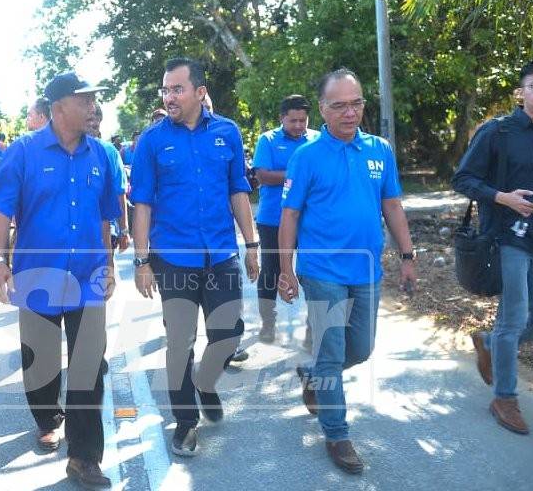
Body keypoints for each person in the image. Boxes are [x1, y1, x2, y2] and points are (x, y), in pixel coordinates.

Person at [0, 71, 119, 489]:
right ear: (59, 106)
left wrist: (109, 265)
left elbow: (103, 217)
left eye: (94, 99)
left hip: (87, 279)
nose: (92, 106)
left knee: (89, 368)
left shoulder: (100, 155)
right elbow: (1, 211)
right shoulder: (23, 152)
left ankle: (83, 457)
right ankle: (46, 416)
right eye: (84, 99)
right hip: (38, 278)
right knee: (39, 365)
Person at [277, 68, 416, 474]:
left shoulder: (379, 151)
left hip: (367, 269)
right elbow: (290, 215)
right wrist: (286, 268)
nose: (349, 113)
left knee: (360, 349)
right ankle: (337, 434)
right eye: (339, 105)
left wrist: (407, 256)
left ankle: (314, 374)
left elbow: (391, 205)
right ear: (322, 109)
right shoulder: (306, 156)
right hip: (322, 271)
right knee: (333, 348)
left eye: (356, 104)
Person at [131, 57, 259, 457]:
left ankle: (206, 384)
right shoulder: (152, 141)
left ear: (200, 92)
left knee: (228, 335)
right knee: (180, 342)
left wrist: (252, 245)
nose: (169, 96)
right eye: (165, 90)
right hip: (174, 259)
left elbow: (238, 190)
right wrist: (142, 261)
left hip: (221, 254)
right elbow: (142, 205)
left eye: (177, 89)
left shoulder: (227, 133)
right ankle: (186, 421)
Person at [453, 58, 533, 436]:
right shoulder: (498, 132)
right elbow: (462, 179)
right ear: (521, 91)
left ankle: (490, 343)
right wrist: (503, 198)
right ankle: (504, 398)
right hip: (508, 237)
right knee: (514, 317)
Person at [253, 95, 318, 344]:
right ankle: (268, 323)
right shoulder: (268, 140)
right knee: (271, 270)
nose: (299, 126)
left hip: (310, 218)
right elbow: (264, 176)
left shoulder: (316, 140)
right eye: (293, 121)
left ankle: (313, 327)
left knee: (313, 271)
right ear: (282, 119)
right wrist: (300, 177)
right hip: (273, 218)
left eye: (303, 120)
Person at [87, 103, 130, 251]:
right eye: (89, 119)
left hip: (106, 229)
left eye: (96, 119)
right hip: (77, 232)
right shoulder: (67, 151)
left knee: (106, 270)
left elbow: (120, 192)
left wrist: (123, 230)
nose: (92, 123)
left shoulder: (109, 151)